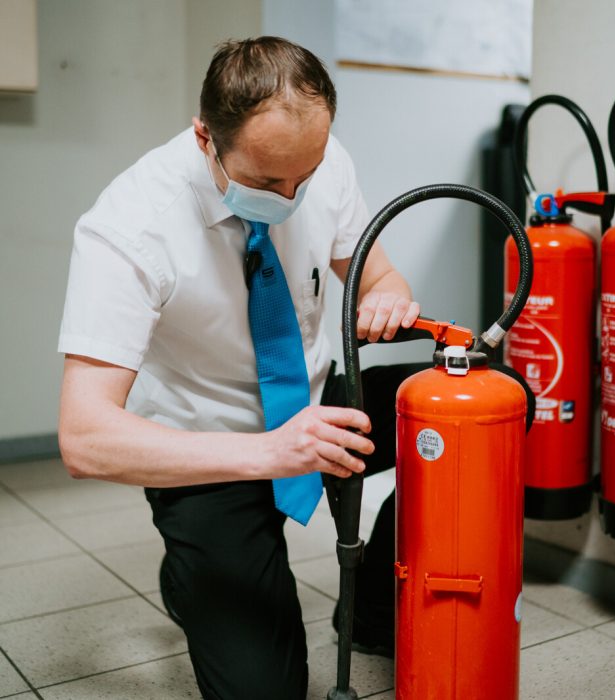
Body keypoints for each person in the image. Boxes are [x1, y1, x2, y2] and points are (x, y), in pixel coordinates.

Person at [58, 36, 423, 699]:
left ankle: (370, 609)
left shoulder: (319, 158)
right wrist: (271, 451)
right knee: (266, 692)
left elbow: (380, 275)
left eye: (301, 178)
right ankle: (193, 575)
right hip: (207, 447)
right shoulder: (128, 226)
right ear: (205, 137)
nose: (289, 196)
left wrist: (388, 295)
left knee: (491, 405)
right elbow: (83, 438)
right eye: (264, 182)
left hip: (318, 409)